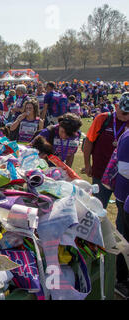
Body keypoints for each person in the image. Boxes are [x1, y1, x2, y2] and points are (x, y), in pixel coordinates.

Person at [83, 95, 129, 209]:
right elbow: (89, 142)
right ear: (117, 106)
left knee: (123, 210)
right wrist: (87, 164)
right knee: (98, 206)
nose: (126, 116)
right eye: (124, 113)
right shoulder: (102, 119)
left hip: (122, 176)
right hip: (100, 172)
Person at [113, 106, 129, 298]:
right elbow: (124, 169)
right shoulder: (127, 137)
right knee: (124, 240)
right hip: (124, 196)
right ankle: (122, 281)